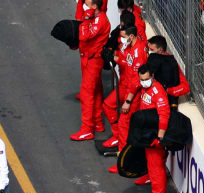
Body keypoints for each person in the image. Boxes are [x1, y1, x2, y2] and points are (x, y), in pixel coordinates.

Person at [128, 62, 170, 193]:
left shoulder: (157, 92)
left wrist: (160, 137)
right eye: (141, 79)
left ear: (152, 76)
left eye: (146, 79)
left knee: (156, 168)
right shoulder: (146, 88)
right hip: (148, 133)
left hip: (155, 136)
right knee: (152, 167)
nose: (143, 82)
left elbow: (164, 115)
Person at [101, 21, 148, 150]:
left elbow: (136, 80)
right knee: (109, 106)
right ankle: (118, 139)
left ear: (131, 36)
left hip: (134, 92)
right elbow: (126, 62)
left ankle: (123, 160)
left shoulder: (138, 52)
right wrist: (113, 57)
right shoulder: (130, 46)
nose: (121, 40)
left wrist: (128, 101)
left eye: (123, 37)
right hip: (125, 85)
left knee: (124, 124)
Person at [71, 0, 111, 140]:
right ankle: (98, 122)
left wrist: (86, 18)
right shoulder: (95, 17)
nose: (84, 6)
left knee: (87, 93)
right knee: (96, 90)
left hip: (93, 60)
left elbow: (84, 35)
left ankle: (87, 128)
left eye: (87, 4)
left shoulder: (100, 20)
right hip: (88, 57)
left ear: (94, 6)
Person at [145, 36, 190, 108]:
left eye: (151, 49)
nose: (149, 52)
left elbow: (185, 88)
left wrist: (167, 90)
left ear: (160, 50)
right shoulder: (150, 58)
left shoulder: (172, 64)